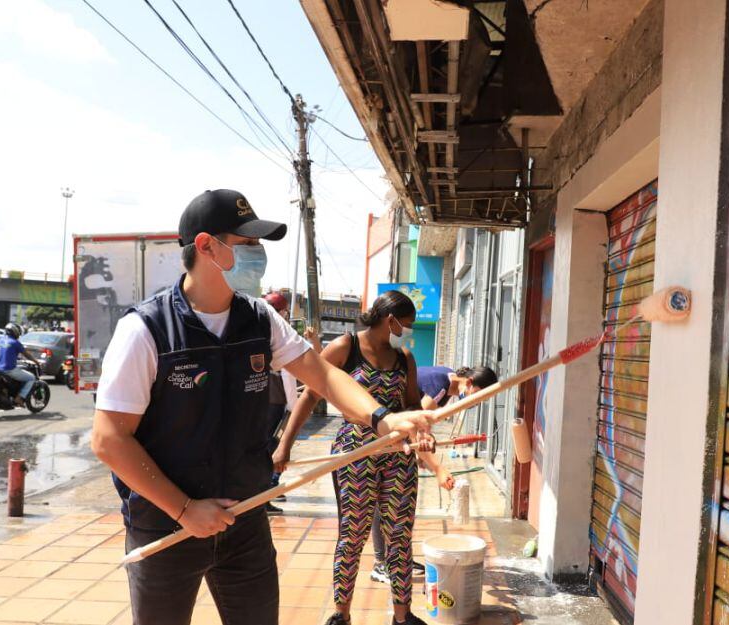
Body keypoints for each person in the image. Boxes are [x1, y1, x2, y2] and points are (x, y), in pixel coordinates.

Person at [90, 189, 435, 625]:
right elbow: (108, 440)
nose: (259, 255)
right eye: (247, 244)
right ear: (205, 246)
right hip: (166, 523)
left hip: (245, 519)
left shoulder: (260, 319)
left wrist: (382, 418)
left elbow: (323, 375)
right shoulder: (146, 329)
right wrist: (183, 510)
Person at [274, 290, 440, 625]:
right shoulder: (344, 347)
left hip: (397, 455)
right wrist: (285, 444)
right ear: (389, 320)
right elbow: (310, 395)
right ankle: (341, 615)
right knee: (353, 534)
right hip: (355, 453)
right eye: (405, 324)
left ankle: (402, 615)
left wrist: (420, 432)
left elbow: (410, 405)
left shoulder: (404, 357)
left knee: (399, 535)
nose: (407, 330)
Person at [368, 363, 498, 583]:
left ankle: (397, 560)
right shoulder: (441, 385)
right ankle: (381, 564)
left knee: (400, 502)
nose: (478, 402)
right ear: (469, 383)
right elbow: (417, 425)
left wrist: (422, 454)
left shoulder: (447, 384)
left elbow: (421, 427)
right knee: (383, 500)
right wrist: (437, 468)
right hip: (381, 432)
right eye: (479, 396)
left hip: (394, 433)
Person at [262, 291, 296, 515]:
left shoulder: (260, 330)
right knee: (267, 451)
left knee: (262, 449)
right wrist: (293, 405)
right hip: (274, 402)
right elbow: (287, 372)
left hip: (263, 402)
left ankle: (263, 495)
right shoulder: (277, 333)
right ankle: (262, 498)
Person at [0, 323, 38, 405]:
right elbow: (26, 354)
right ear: (15, 332)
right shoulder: (16, 343)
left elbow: (8, 352)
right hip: (8, 370)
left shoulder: (2, 340)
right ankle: (19, 398)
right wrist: (36, 361)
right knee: (31, 378)